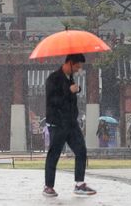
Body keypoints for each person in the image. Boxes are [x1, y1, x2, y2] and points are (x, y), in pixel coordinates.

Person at [43, 54, 96, 197]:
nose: (79, 70)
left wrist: (75, 90)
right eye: (77, 66)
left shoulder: (70, 79)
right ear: (70, 63)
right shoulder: (53, 79)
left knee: (81, 150)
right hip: (57, 123)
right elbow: (53, 101)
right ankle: (48, 186)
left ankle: (79, 184)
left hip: (71, 123)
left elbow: (69, 101)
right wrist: (69, 91)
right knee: (54, 154)